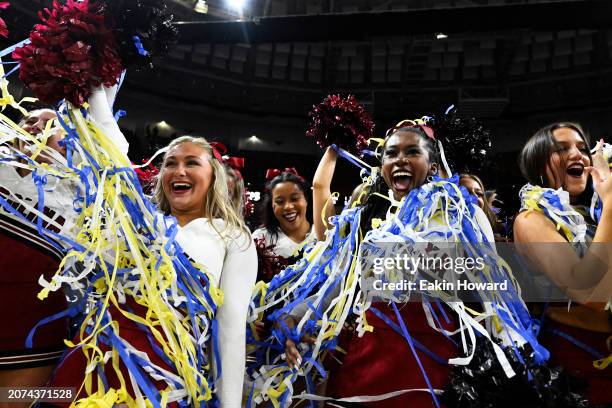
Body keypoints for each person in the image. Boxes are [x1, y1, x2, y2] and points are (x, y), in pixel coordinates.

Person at [267, 122, 519, 408]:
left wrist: (511, 360)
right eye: (391, 153)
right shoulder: (366, 219)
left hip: (435, 368)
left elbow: (494, 295)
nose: (400, 159)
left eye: (412, 151)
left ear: (433, 166)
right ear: (382, 165)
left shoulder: (463, 215)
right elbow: (339, 283)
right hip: (365, 366)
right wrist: (295, 317)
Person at [46, 135, 257, 407]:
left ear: (214, 176)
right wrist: (97, 94)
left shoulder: (233, 236)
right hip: (95, 357)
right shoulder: (139, 219)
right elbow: (111, 162)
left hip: (162, 377)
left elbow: (231, 327)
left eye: (192, 162)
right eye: (170, 163)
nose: (179, 170)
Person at [514, 122, 612, 405]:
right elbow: (589, 293)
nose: (578, 155)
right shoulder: (530, 220)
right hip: (575, 360)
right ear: (537, 161)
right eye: (562, 148)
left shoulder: (592, 217)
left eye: (583, 148)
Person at [0, 109, 72, 401]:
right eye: (30, 121)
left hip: (33, 337)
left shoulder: (84, 192)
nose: (37, 127)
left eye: (50, 124)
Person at [252, 168, 312, 281]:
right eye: (280, 201)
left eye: (294, 199)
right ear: (272, 205)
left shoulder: (323, 234)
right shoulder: (260, 238)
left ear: (306, 199)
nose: (288, 206)